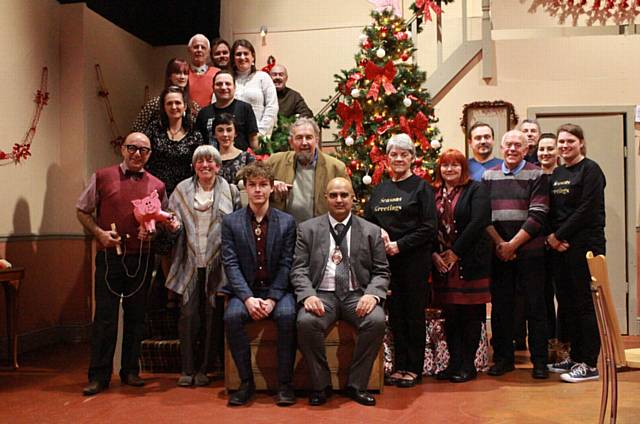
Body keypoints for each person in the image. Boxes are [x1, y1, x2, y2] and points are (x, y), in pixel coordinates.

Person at [76, 132, 177, 396]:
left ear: (150, 154)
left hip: (142, 258)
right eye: (132, 148)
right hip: (110, 258)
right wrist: (99, 234)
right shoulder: (102, 176)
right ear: (123, 149)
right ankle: (99, 376)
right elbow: (82, 210)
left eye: (143, 150)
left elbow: (161, 221)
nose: (137, 154)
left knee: (137, 317)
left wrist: (152, 232)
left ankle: (130, 371)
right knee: (105, 318)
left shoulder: (158, 185)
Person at [292, 177, 390, 406]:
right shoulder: (307, 230)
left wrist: (372, 294)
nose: (339, 200)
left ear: (353, 199)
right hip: (322, 295)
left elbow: (382, 271)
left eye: (344, 195)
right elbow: (298, 269)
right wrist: (308, 295)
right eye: (333, 195)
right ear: (326, 198)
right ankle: (321, 385)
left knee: (376, 321)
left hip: (356, 295)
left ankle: (357, 385)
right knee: (305, 322)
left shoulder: (370, 231)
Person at [220, 161, 297, 406]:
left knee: (287, 316)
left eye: (263, 185)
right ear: (245, 189)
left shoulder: (286, 222)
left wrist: (273, 298)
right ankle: (245, 383)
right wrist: (247, 298)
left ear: (272, 188)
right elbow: (230, 264)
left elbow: (287, 264)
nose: (258, 190)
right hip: (247, 291)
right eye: (252, 185)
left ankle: (284, 384)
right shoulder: (231, 222)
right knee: (231, 317)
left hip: (278, 290)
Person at [364, 133, 436, 388]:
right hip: (386, 264)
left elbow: (429, 227)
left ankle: (413, 368)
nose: (398, 158)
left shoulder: (422, 187)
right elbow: (368, 221)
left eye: (404, 154)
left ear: (413, 158)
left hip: (413, 261)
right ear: (386, 159)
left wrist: (399, 245)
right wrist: (379, 234)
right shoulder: (380, 189)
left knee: (413, 315)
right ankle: (399, 366)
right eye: (393, 154)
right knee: (395, 316)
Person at [165, 145, 241, 387]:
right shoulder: (181, 190)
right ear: (194, 165)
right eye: (200, 161)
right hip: (188, 260)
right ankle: (187, 368)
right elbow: (170, 220)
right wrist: (171, 226)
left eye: (211, 161)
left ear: (218, 166)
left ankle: (205, 369)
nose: (205, 165)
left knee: (212, 316)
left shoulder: (230, 191)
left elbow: (238, 225)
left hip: (218, 264)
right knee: (188, 315)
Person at [482, 130, 549, 379]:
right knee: (501, 309)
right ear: (501, 148)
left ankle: (539, 362)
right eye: (508, 145)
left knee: (536, 308)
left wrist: (513, 244)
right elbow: (483, 215)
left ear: (525, 149)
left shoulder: (537, 173)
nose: (512, 149)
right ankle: (503, 359)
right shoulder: (488, 176)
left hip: (530, 254)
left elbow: (539, 214)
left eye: (517, 145)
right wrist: (501, 244)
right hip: (499, 255)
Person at [546, 124, 605, 383]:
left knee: (585, 305)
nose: (564, 146)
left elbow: (586, 210)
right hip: (560, 249)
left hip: (584, 246)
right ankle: (574, 356)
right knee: (567, 304)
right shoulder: (557, 172)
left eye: (570, 141)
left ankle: (590, 363)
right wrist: (553, 239)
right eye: (561, 141)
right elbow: (551, 210)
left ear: (581, 143)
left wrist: (559, 236)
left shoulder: (591, 170)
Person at [430, 149, 491, 383]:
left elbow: (479, 222)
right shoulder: (433, 192)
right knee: (451, 315)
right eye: (445, 165)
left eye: (455, 165)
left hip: (470, 263)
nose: (450, 169)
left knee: (471, 316)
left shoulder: (476, 190)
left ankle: (468, 365)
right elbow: (427, 224)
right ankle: (453, 363)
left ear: (463, 168)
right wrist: (435, 254)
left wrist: (456, 253)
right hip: (443, 264)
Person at [266, 117, 348, 223]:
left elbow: (349, 203)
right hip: (284, 232)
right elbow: (245, 179)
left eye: (309, 137)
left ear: (317, 140)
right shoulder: (275, 162)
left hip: (320, 232)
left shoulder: (336, 168)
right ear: (291, 142)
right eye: (299, 138)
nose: (304, 142)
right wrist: (270, 184)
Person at [536, 133, 568, 362]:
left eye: (550, 148)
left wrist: (558, 237)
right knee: (543, 297)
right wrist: (547, 237)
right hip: (538, 246)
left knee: (564, 297)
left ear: (557, 152)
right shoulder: (534, 176)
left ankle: (564, 344)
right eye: (541, 149)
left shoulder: (563, 176)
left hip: (561, 245)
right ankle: (547, 344)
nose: (545, 153)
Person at [131, 58, 200, 133]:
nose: (182, 77)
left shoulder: (193, 106)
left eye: (185, 73)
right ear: (169, 76)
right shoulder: (155, 103)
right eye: (178, 73)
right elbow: (137, 129)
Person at [195, 70, 259, 151]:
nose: (223, 87)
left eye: (228, 84)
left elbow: (253, 140)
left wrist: (256, 160)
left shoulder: (245, 108)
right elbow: (199, 144)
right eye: (219, 84)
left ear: (234, 87)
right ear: (213, 88)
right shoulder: (203, 113)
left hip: (241, 161)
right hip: (212, 161)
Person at [231, 39, 278, 136]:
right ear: (233, 59)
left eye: (246, 53)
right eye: (238, 54)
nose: (242, 57)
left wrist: (260, 133)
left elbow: (272, 107)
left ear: (253, 57)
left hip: (258, 135)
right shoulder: (227, 79)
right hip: (231, 137)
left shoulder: (263, 77)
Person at [213, 113, 256, 184]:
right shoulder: (210, 160)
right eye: (220, 130)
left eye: (229, 130)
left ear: (235, 133)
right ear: (214, 134)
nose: (225, 134)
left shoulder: (247, 158)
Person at [187, 34, 219, 108]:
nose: (199, 50)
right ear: (189, 50)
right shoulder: (182, 73)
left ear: (208, 52)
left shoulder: (217, 73)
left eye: (203, 47)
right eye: (196, 47)